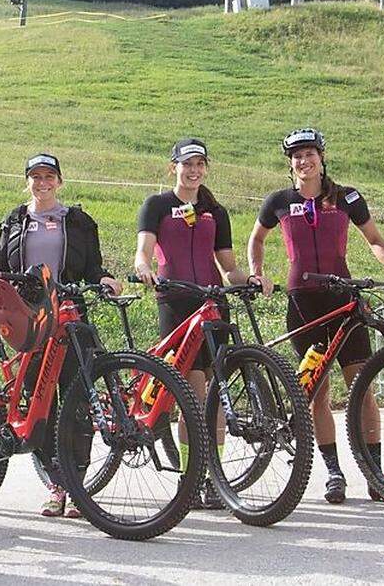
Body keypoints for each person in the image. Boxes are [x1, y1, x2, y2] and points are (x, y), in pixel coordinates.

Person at [247, 128, 384, 504]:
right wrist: (256, 271)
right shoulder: (279, 200)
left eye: (309, 154)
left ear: (322, 157)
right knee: (317, 394)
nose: (303, 161)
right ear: (290, 163)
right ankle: (334, 473)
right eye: (296, 156)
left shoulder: (347, 198)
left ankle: (376, 474)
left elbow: (374, 239)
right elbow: (255, 239)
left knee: (363, 388)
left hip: (343, 301)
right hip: (303, 303)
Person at [0, 153, 121, 517]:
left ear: (60, 181)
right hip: (30, 321)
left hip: (70, 318)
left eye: (49, 176)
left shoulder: (80, 221)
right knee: (41, 405)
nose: (42, 183)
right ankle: (57, 486)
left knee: (78, 403)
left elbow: (92, 268)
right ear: (27, 181)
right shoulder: (13, 221)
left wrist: (102, 280)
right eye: (35, 177)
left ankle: (77, 486)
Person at [134, 138, 249, 510]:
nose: (194, 170)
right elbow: (144, 250)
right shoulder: (157, 205)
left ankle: (213, 478)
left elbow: (228, 265)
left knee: (215, 398)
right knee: (193, 398)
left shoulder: (216, 210)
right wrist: (143, 268)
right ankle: (192, 476)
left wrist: (249, 279)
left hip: (213, 305)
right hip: (176, 304)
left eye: (200, 164)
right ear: (174, 167)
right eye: (187, 164)